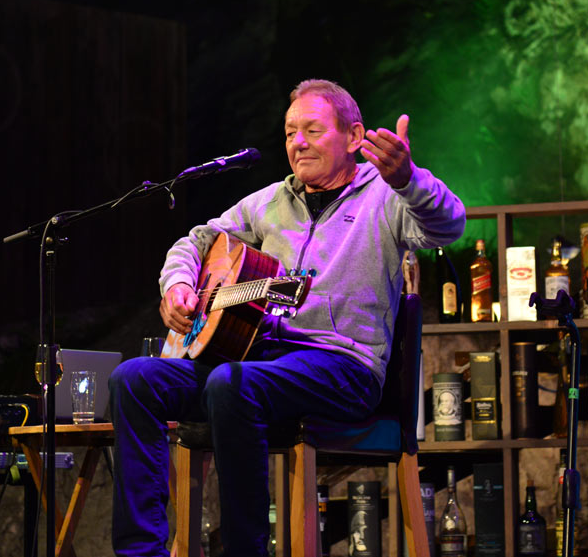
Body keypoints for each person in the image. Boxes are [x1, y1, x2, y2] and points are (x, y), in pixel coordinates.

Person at [110, 78, 466, 557]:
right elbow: (196, 239)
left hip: (344, 367)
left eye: (313, 130)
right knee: (134, 379)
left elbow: (449, 223)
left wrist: (409, 179)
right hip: (263, 362)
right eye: (290, 132)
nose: (298, 142)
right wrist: (176, 283)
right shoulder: (270, 202)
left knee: (230, 385)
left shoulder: (385, 196)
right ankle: (141, 553)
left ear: (354, 137)